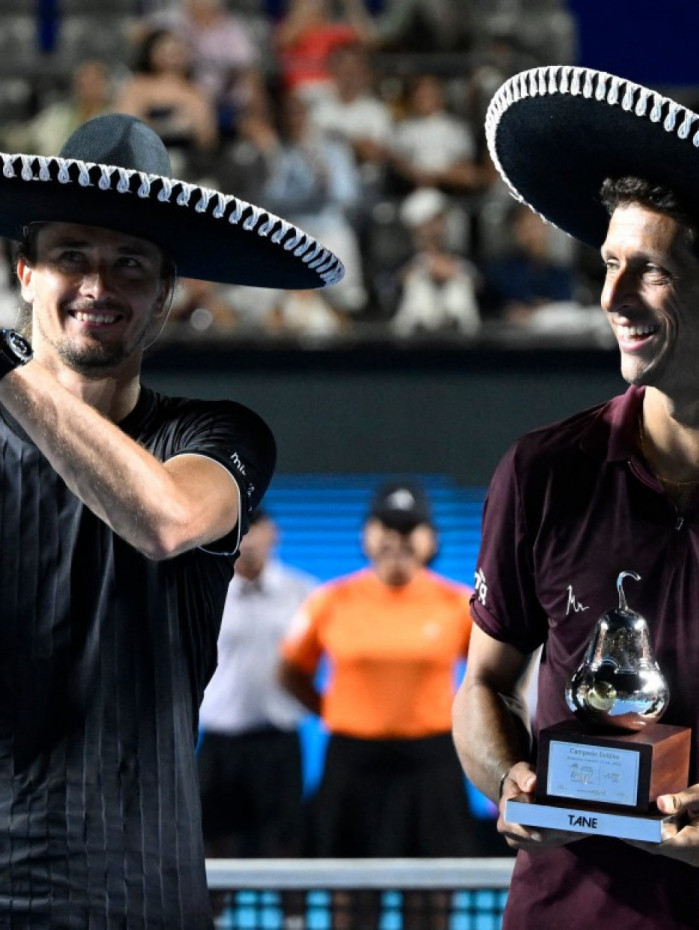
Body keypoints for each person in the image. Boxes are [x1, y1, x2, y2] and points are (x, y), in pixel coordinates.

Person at [0, 109, 343, 929]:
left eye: (130, 265)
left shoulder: (217, 434)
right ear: (24, 273)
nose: (98, 285)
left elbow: (163, 520)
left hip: (133, 888)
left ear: (163, 298)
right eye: (71, 256)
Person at [451, 65, 699, 930]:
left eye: (651, 273)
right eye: (606, 265)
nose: (609, 300)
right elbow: (482, 683)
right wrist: (508, 775)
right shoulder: (543, 470)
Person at [280, 481, 478, 930]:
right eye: (386, 527)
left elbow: (489, 681)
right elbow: (292, 673)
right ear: (367, 535)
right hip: (351, 767)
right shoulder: (329, 601)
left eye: (410, 528)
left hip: (430, 767)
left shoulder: (458, 603)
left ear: (430, 540)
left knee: (431, 896)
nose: (397, 539)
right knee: (349, 894)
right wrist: (339, 711)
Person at [198, 508, 317, 860]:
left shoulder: (306, 593)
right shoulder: (203, 593)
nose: (248, 541)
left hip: (278, 744)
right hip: (219, 745)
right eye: (239, 532)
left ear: (273, 535)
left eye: (255, 530)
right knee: (211, 851)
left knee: (286, 846)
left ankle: (294, 920)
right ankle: (210, 918)